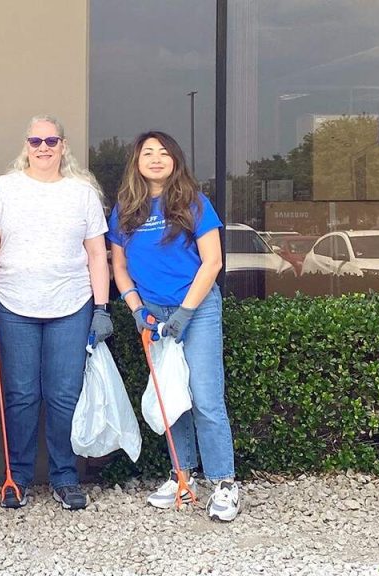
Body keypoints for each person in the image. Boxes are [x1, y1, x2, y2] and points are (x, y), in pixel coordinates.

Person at [0, 115, 111, 511]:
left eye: (52, 140)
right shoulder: (6, 188)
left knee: (65, 395)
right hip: (13, 305)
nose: (44, 147)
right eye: (36, 140)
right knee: (21, 395)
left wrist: (101, 308)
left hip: (72, 305)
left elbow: (97, 254)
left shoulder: (82, 193)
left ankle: (65, 477)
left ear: (63, 145)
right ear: (26, 145)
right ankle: (16, 477)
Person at [106, 130, 241, 522]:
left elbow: (212, 262)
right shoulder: (126, 208)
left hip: (195, 309)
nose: (155, 158)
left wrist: (184, 311)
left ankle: (225, 483)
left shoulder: (194, 202)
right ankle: (183, 478)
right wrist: (135, 308)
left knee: (204, 396)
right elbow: (118, 265)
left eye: (163, 152)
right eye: (147, 152)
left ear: (175, 160)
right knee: (171, 396)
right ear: (137, 162)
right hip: (153, 311)